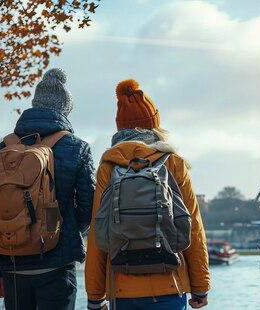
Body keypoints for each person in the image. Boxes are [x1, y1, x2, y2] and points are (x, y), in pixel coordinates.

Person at [0, 68, 95, 310]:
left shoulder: (2, 148)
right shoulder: (76, 148)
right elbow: (88, 207)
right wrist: (61, 230)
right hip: (57, 266)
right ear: (65, 109)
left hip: (13, 264)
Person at [85, 79, 210, 310]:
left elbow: (98, 232)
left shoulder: (109, 166)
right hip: (170, 284)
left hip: (121, 288)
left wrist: (94, 296)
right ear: (155, 126)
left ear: (119, 129)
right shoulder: (173, 163)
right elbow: (193, 227)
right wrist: (200, 286)